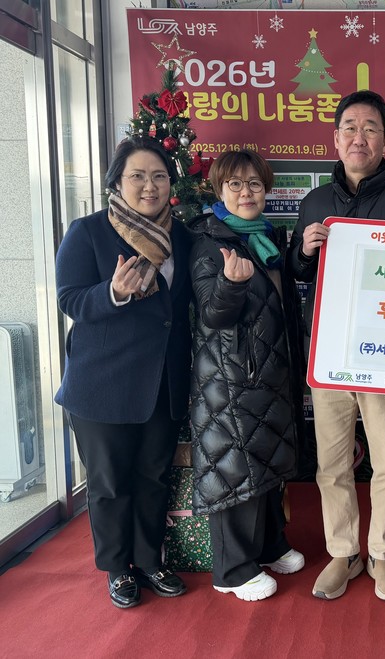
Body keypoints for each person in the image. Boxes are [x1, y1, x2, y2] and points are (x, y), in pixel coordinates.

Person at [290, 90, 385, 601]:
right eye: (350, 127)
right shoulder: (313, 202)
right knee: (332, 464)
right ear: (335, 138)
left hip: (384, 356)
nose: (359, 137)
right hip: (328, 354)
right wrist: (305, 252)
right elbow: (297, 271)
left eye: (370, 128)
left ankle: (383, 555)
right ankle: (344, 553)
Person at [55, 136, 191, 609]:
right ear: (117, 183)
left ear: (170, 183)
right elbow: (70, 298)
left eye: (159, 176)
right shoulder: (88, 232)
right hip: (102, 385)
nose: (149, 186)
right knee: (110, 483)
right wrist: (112, 293)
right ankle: (118, 570)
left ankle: (150, 560)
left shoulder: (182, 236)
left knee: (154, 477)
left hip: (162, 383)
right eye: (137, 176)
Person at [188, 149, 306, 602]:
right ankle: (232, 569)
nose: (246, 192)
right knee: (235, 468)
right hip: (231, 377)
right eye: (235, 184)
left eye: (254, 183)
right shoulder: (210, 241)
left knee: (267, 463)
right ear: (219, 190)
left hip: (268, 372)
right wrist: (230, 284)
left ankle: (270, 545)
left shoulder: (265, 238)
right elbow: (212, 314)